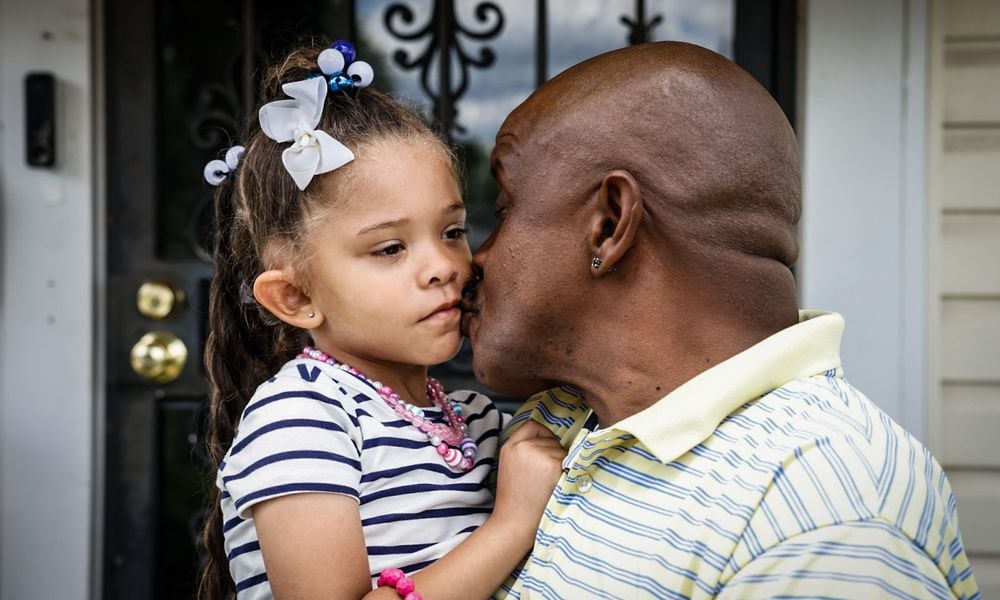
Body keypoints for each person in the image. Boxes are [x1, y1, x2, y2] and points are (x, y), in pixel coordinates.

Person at [462, 41, 981, 598]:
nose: (474, 259)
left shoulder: (825, 514)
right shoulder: (566, 415)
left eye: (505, 208)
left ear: (610, 223)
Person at [196, 40, 564, 600]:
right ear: (295, 298)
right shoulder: (302, 419)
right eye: (390, 248)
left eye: (452, 232)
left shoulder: (478, 419)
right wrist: (512, 526)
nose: (443, 266)